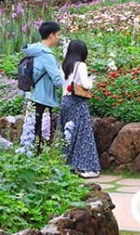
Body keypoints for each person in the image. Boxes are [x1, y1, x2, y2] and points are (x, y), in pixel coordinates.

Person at [59, 39, 100, 179]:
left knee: (68, 134)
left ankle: (67, 164)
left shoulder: (64, 65)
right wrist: (92, 82)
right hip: (77, 102)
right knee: (83, 135)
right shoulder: (80, 65)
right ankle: (88, 168)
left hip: (65, 101)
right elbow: (86, 85)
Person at [21, 21, 64, 154]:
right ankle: (37, 158)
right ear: (51, 35)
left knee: (33, 127)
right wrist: (71, 87)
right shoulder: (47, 55)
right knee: (40, 130)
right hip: (43, 97)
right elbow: (57, 80)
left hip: (34, 94)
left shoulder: (35, 50)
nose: (58, 38)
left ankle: (31, 155)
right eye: (57, 35)